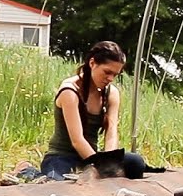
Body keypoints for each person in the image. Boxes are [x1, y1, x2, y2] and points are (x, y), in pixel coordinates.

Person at [41, 41, 148, 180]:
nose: (110, 79)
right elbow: (77, 140)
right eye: (107, 72)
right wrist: (99, 166)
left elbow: (111, 132)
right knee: (59, 184)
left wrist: (110, 163)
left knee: (135, 162)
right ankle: (27, 171)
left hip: (93, 155)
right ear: (92, 63)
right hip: (63, 157)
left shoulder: (111, 93)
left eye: (115, 75)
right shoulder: (70, 92)